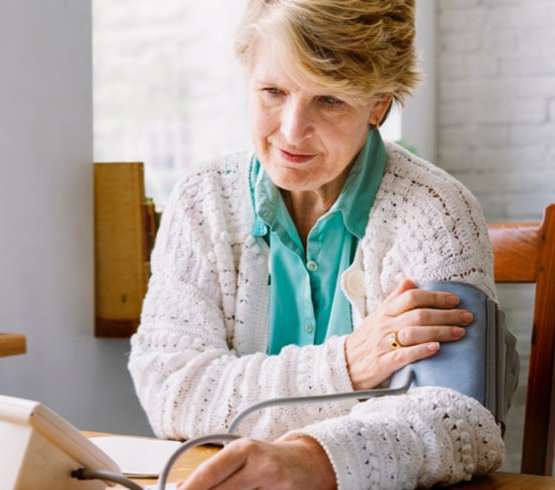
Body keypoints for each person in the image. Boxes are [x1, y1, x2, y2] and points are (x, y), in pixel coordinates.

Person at [128, 0, 516, 488]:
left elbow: (459, 420)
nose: (291, 131)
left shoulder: (435, 211)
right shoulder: (202, 202)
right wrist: (348, 363)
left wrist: (311, 461)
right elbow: (173, 391)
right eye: (272, 91)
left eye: (329, 100)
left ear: (378, 104)